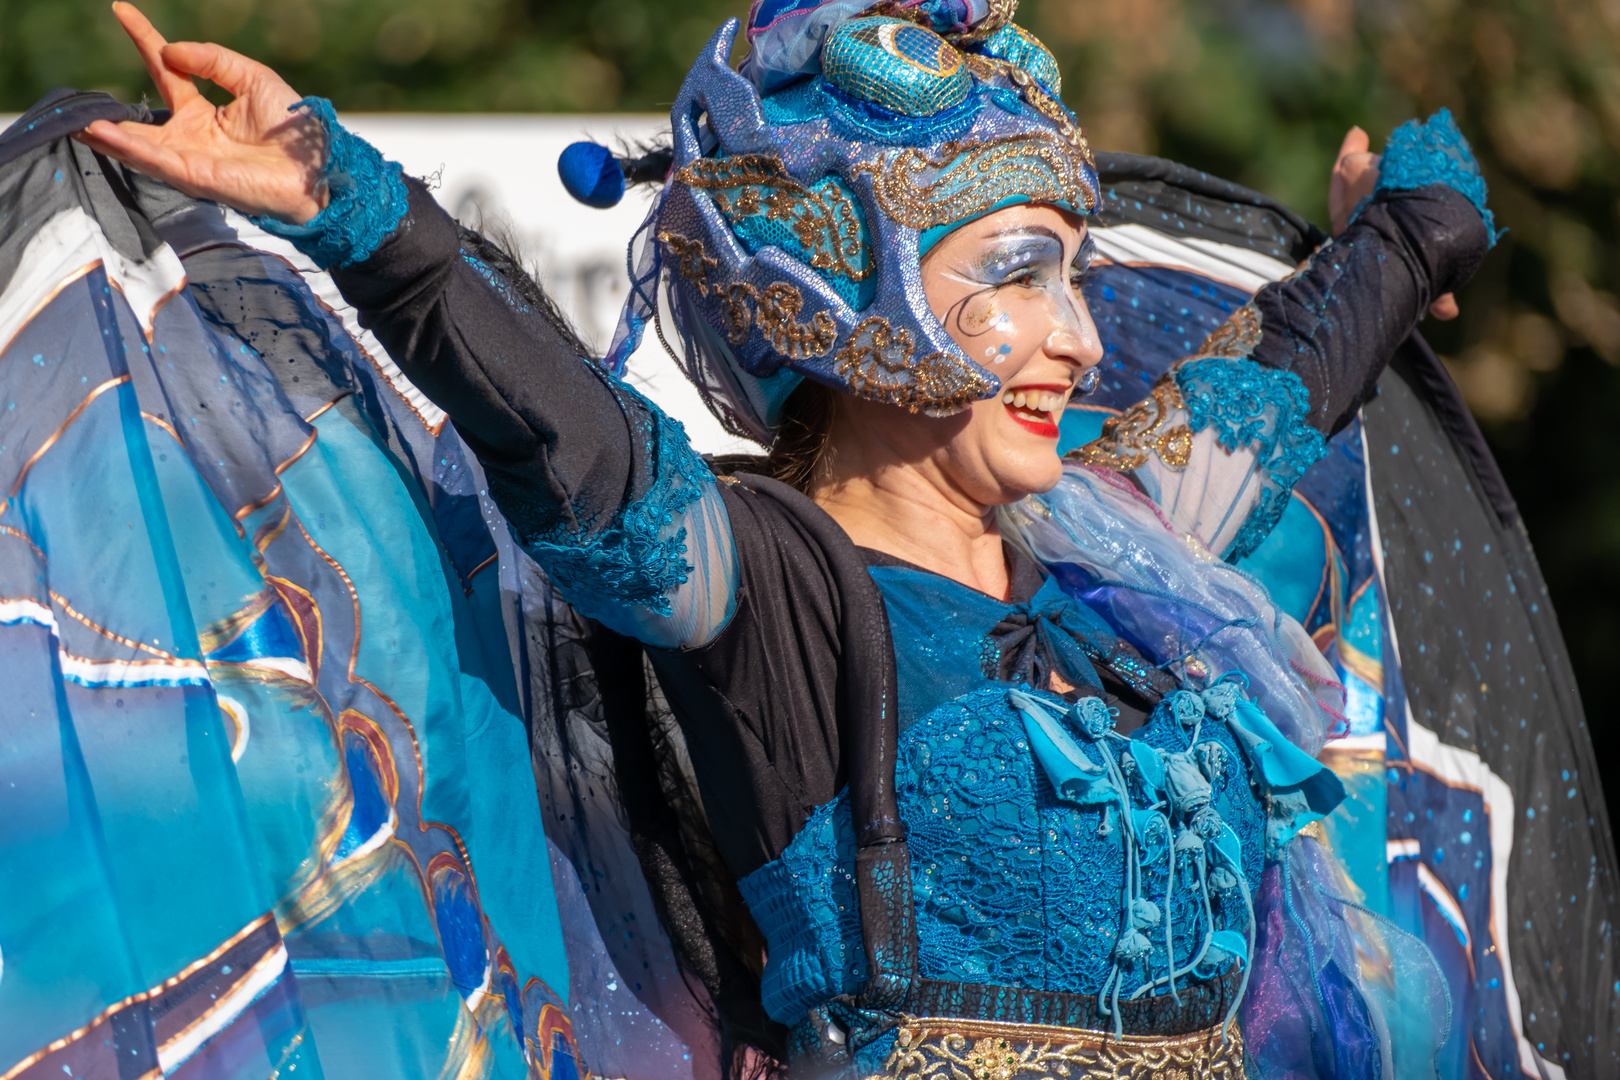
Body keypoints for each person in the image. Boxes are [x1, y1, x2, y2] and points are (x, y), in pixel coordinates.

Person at [67, 0, 1503, 1076]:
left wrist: (1408, 236)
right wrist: (340, 192)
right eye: (1017, 277)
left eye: (1073, 279)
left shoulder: (1114, 568)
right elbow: (575, 444)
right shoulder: (777, 592)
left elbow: (1283, 390)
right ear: (855, 304)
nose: (1075, 338)